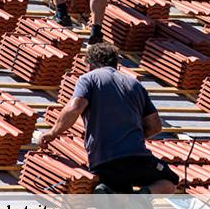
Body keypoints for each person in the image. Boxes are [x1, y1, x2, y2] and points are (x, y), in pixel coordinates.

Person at [38, 43, 179, 197]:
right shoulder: (135, 84)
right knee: (170, 181)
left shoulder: (88, 79)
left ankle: (109, 189)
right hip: (136, 157)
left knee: (118, 185)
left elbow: (74, 108)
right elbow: (155, 126)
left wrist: (52, 133)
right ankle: (142, 196)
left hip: (102, 161)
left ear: (91, 64)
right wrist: (130, 137)